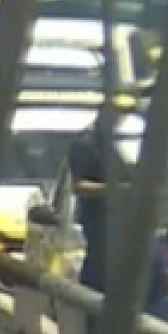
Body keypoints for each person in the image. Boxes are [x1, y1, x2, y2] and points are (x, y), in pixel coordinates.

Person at [68, 123, 119, 292]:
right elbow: (79, 186)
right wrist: (116, 190)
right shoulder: (87, 144)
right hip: (99, 235)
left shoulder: (125, 143)